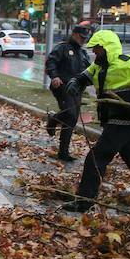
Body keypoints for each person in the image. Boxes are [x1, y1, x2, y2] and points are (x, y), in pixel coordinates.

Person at [63, 29, 130, 212]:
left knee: (95, 158)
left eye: (97, 49)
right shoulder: (98, 66)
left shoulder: (127, 65)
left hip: (124, 122)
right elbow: (83, 77)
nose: (94, 52)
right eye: (93, 49)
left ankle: (84, 202)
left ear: (108, 48)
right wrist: (75, 83)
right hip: (115, 123)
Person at [45, 23, 91, 162]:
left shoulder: (83, 53)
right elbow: (51, 62)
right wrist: (54, 76)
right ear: (74, 34)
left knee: (71, 120)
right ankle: (53, 120)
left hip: (77, 89)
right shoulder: (62, 47)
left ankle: (63, 152)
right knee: (70, 114)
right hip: (62, 86)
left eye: (85, 38)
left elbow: (89, 70)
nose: (84, 40)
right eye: (82, 37)